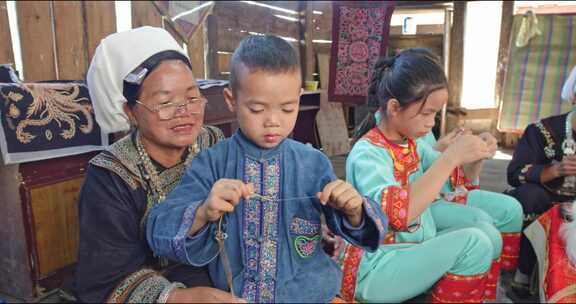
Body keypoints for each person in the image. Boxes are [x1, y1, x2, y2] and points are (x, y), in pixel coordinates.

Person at [145, 35, 388, 303]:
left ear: (299, 98)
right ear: (231, 100)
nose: (273, 121)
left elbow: (361, 229)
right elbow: (159, 229)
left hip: (309, 296)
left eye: (287, 108)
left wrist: (354, 211)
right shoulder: (212, 163)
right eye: (257, 109)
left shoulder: (313, 163)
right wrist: (203, 212)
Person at [341, 48, 521, 303]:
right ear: (394, 107)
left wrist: (474, 154)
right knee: (474, 242)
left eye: (435, 114)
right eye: (427, 113)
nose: (431, 123)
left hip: (410, 248)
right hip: (377, 264)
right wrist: (451, 156)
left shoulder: (406, 140)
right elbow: (397, 215)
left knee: (487, 233)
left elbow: (452, 185)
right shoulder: (367, 154)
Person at [74, 26, 239, 303]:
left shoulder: (213, 142)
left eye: (191, 97)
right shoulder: (111, 175)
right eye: (165, 102)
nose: (184, 113)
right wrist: (178, 298)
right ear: (130, 111)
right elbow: (107, 278)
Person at [506, 65, 576, 298]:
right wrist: (554, 170)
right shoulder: (543, 131)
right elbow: (514, 173)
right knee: (529, 195)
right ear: (574, 96)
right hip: (548, 196)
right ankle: (523, 273)